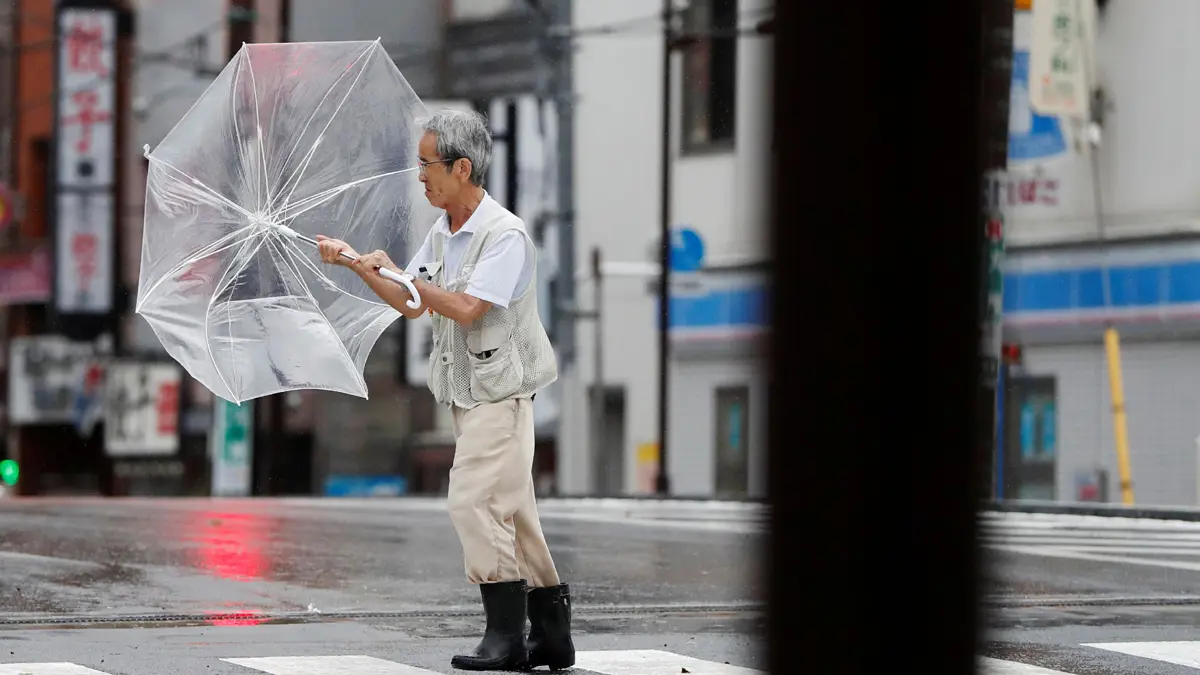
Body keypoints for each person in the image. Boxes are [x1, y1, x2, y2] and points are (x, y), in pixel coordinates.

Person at [316, 109, 574, 672]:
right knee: (514, 512)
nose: (421, 176)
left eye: (428, 165)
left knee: (472, 503)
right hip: (468, 394)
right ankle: (553, 636)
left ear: (462, 167)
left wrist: (414, 281)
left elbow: (465, 306)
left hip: (499, 396)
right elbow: (412, 303)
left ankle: (505, 636)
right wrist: (360, 266)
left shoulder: (503, 235)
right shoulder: (444, 231)